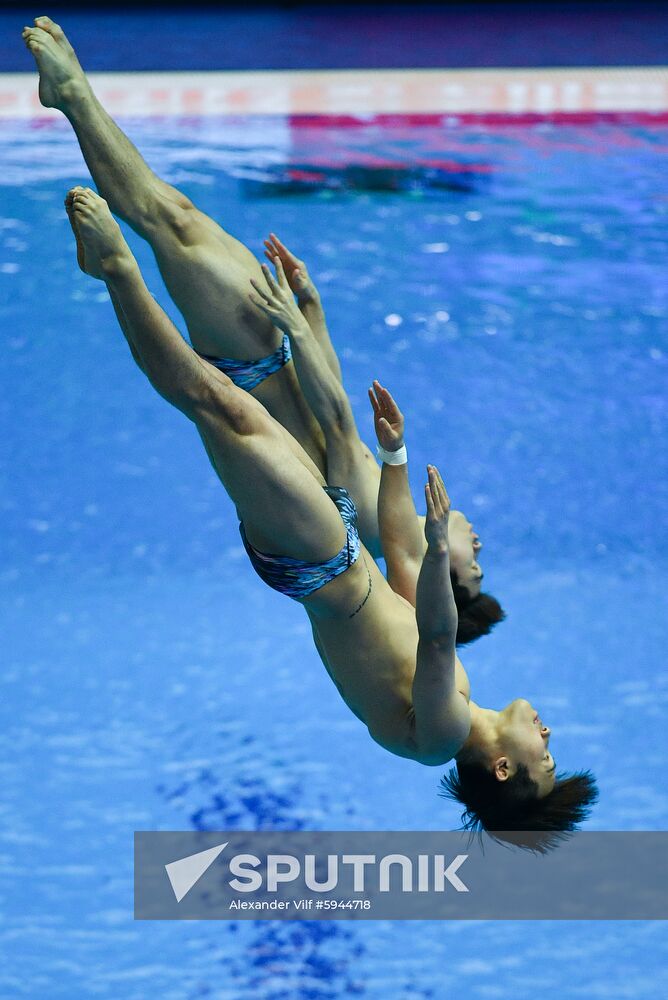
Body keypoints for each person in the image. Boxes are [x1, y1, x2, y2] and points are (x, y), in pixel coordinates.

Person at [61, 182, 597, 851]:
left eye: (543, 758)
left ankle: (114, 270)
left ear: (503, 768)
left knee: (215, 402)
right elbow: (398, 559)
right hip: (335, 541)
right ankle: (123, 260)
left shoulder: (440, 739)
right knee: (226, 396)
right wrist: (393, 455)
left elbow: (434, 633)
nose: (547, 736)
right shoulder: (460, 696)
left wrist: (439, 550)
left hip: (316, 564)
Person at [22, 15, 504, 645]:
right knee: (173, 217)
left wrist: (297, 328)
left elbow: (332, 416)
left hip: (256, 360)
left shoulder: (381, 515)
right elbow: (332, 412)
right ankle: (75, 104)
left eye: (478, 565)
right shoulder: (383, 505)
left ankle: (74, 101)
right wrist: (314, 313)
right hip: (265, 359)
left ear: (450, 581)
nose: (480, 546)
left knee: (168, 219)